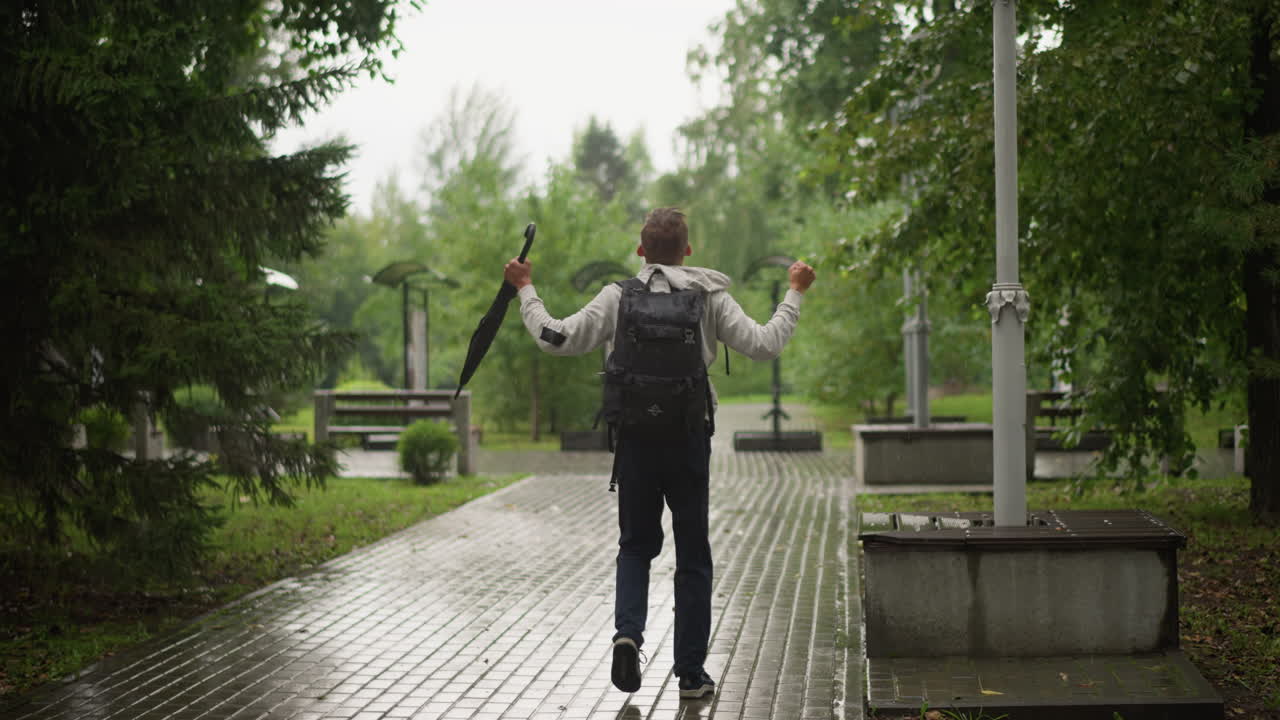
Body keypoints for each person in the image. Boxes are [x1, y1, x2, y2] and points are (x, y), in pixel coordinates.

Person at [503, 208, 815, 700]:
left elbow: (555, 337)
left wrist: (525, 288)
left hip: (634, 440)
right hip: (688, 440)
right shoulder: (709, 296)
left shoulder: (617, 296)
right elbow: (765, 344)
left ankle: (628, 634)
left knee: (635, 546)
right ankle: (690, 674)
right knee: (692, 554)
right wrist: (795, 291)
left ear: (640, 251)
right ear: (687, 252)